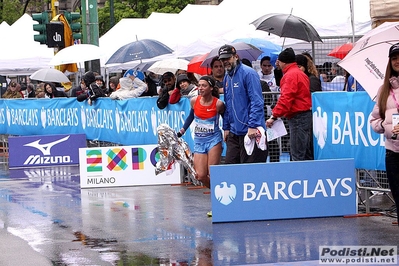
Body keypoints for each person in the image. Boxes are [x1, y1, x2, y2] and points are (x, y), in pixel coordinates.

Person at [219, 44, 268, 164]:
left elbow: (257, 102)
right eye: (222, 59)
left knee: (251, 172)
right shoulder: (227, 77)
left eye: (228, 58)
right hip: (234, 132)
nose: (225, 62)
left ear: (236, 56)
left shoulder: (248, 73)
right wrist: (226, 127)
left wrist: (253, 125)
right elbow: (228, 104)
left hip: (250, 131)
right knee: (230, 168)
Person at [177, 76, 224, 190]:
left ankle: (218, 202)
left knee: (212, 173)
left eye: (204, 86)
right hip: (199, 141)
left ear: (211, 88)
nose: (200, 88)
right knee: (201, 175)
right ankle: (218, 192)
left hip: (214, 140)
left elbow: (226, 118)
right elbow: (191, 116)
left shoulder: (218, 104)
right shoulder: (194, 101)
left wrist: (227, 131)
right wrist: (182, 130)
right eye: (199, 85)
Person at [370, 42, 399, 226]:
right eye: (394, 58)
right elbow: (374, 121)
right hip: (393, 154)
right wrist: (385, 126)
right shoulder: (384, 90)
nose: (397, 61)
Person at [266, 47, 313, 161]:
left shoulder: (290, 75)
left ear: (283, 62)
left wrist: (274, 116)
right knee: (305, 152)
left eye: (279, 61)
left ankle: (299, 177)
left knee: (297, 154)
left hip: (297, 117)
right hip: (305, 115)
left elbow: (286, 98)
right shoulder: (299, 73)